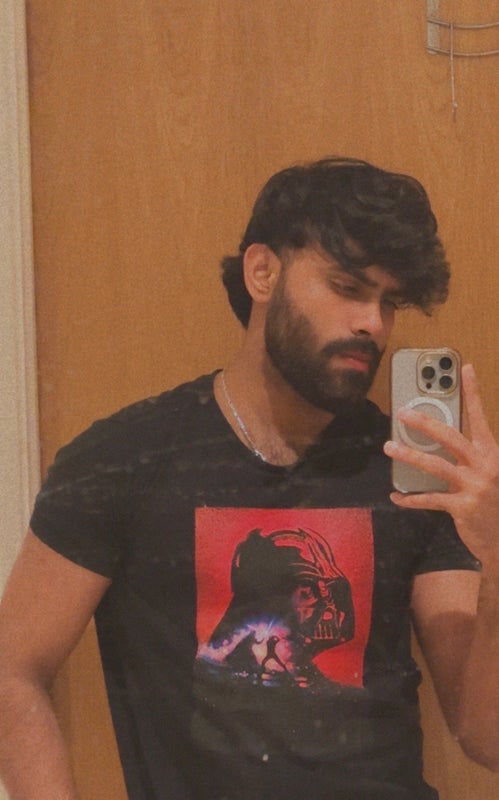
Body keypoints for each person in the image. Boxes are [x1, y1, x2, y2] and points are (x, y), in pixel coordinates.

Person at [0, 156, 498, 800]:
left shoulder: (414, 471)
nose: (373, 323)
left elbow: (487, 736)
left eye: (388, 302)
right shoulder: (123, 461)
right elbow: (13, 670)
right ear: (262, 272)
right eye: (347, 287)